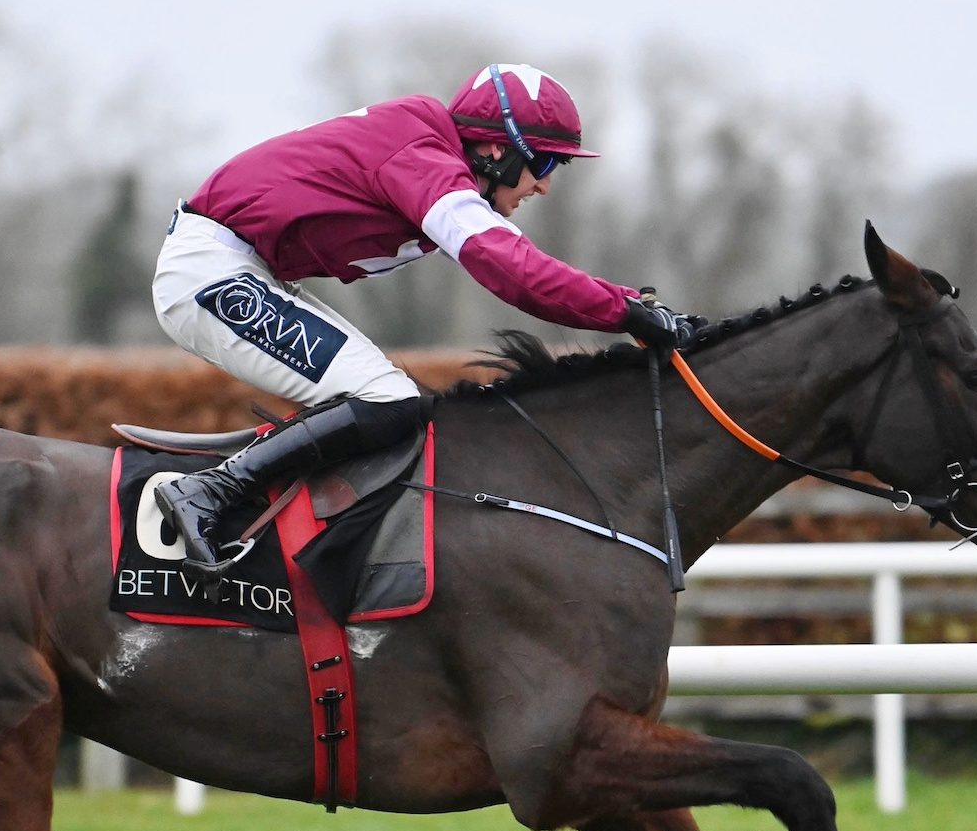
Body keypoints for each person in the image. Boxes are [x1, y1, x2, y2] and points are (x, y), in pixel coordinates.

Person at [150, 63, 696, 574]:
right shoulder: (422, 158)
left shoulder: (429, 151)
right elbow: (512, 270)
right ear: (492, 147)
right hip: (210, 273)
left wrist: (625, 304)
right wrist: (624, 309)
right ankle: (209, 492)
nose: (545, 185)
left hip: (243, 268)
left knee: (385, 400)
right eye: (544, 163)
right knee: (386, 399)